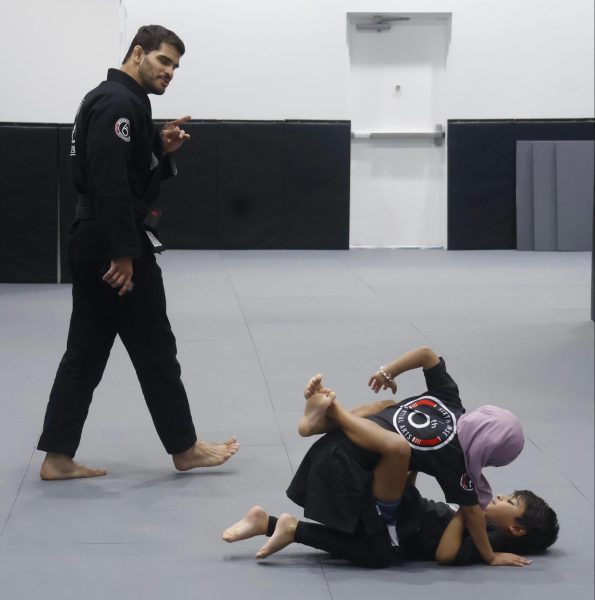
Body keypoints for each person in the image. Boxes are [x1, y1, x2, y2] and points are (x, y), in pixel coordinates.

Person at [37, 25, 239, 480]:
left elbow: (121, 172)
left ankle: (57, 456)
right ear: (137, 53)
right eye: (163, 61)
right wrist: (124, 254)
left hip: (97, 239)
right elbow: (107, 184)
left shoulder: (117, 100)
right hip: (113, 244)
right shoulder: (118, 102)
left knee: (86, 351)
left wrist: (158, 150)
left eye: (175, 67)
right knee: (154, 347)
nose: (170, 73)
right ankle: (184, 448)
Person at [283, 347, 527, 566]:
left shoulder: (450, 399)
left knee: (388, 405)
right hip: (348, 468)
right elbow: (473, 512)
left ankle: (320, 423)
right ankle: (335, 412)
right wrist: (490, 556)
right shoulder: (457, 462)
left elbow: (427, 354)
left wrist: (387, 373)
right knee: (399, 448)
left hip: (339, 443)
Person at [222, 479, 559, 568]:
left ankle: (267, 523)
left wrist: (467, 513)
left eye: (509, 502)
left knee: (367, 545)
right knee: (376, 556)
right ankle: (288, 528)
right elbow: (443, 555)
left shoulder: (491, 538)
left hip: (408, 522)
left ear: (516, 528)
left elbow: (447, 553)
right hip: (407, 520)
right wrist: (465, 511)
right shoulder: (484, 531)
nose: (500, 497)